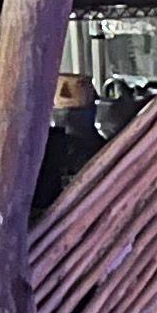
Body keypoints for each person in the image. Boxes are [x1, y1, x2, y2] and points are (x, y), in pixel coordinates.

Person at [34, 69, 105, 210]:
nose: (64, 93)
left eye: (78, 86)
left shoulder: (96, 148)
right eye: (60, 86)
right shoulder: (45, 148)